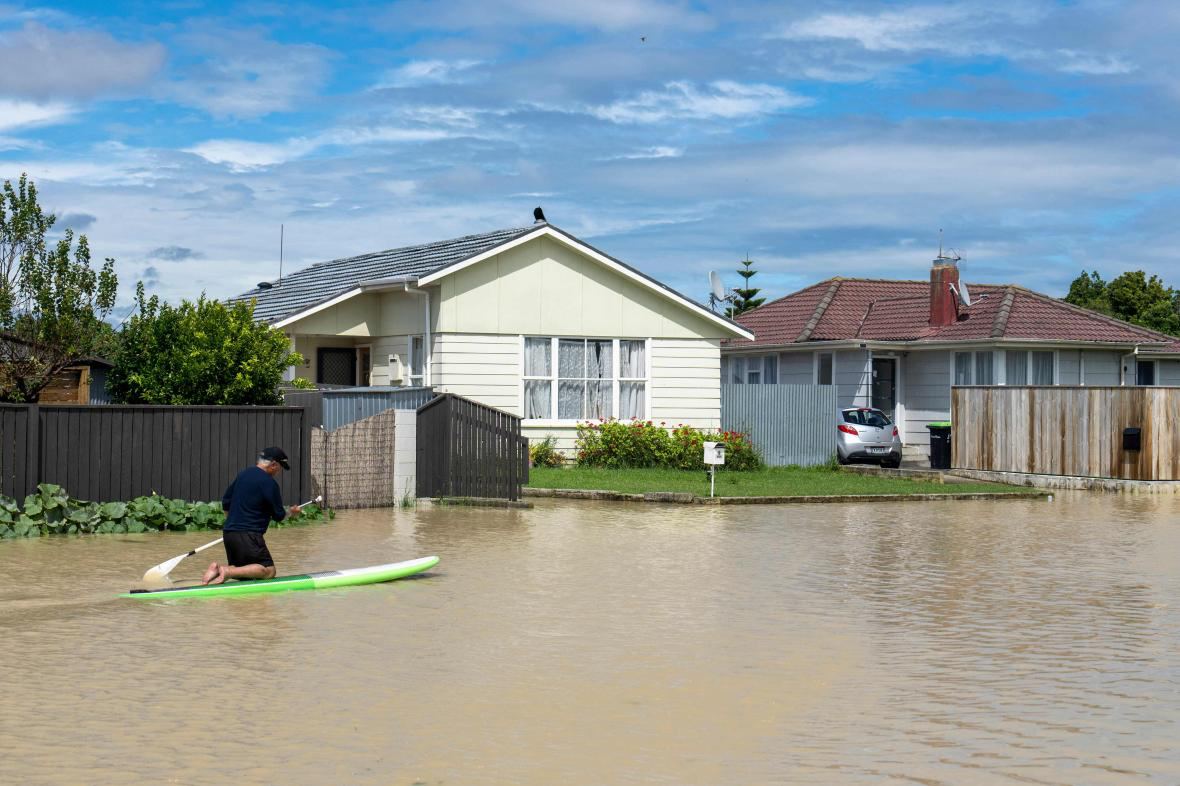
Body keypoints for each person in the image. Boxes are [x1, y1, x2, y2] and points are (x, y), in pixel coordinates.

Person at [202, 447, 303, 585]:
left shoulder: (243, 475)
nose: (278, 472)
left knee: (245, 572)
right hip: (249, 535)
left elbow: (226, 502)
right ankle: (226, 571)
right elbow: (279, 516)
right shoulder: (269, 483)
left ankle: (217, 571)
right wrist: (292, 513)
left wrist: (234, 523)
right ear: (273, 464)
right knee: (269, 571)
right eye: (279, 467)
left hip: (229, 533)